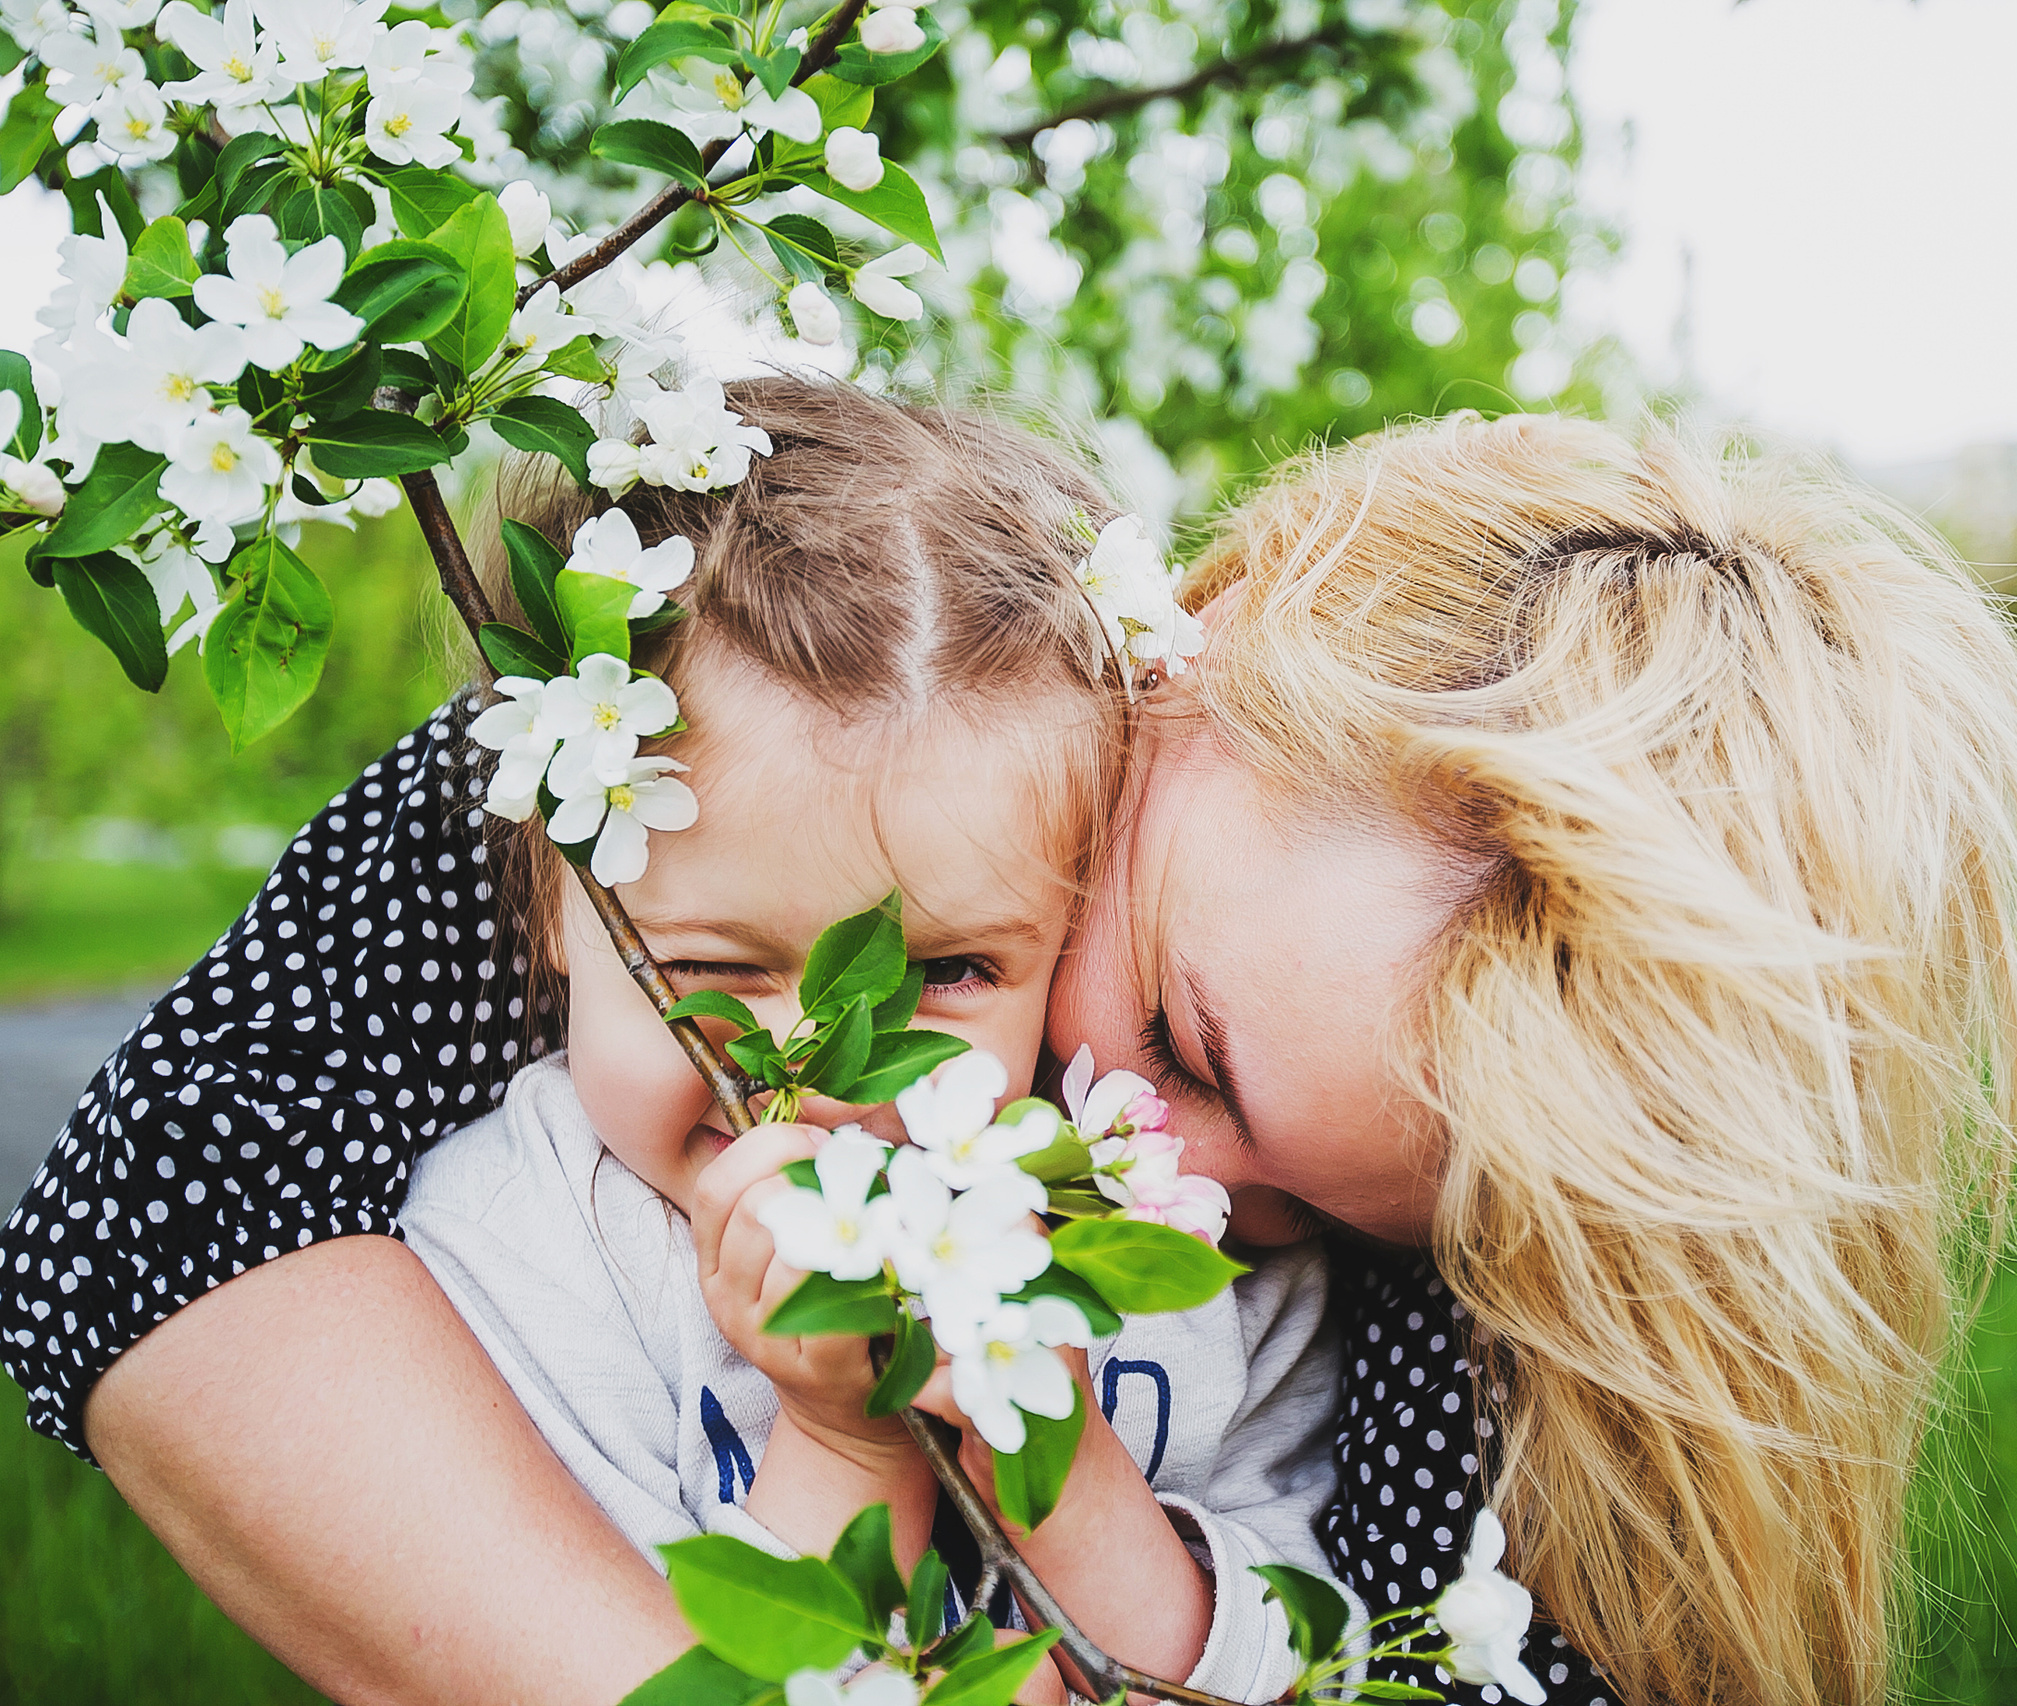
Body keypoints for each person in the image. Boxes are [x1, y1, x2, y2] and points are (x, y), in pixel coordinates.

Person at [0, 407, 2017, 1706]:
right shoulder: (737, 733)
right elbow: (161, 1206)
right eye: (1172, 1031)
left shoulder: (1428, 1298)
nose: (1146, 1175)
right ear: (1190, 637)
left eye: (1293, 1216)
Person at [396, 383, 1340, 1706]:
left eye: (949, 971)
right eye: (714, 969)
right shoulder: (517, 1257)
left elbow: (1299, 1673)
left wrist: (1054, 1455)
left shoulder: (1191, 1262)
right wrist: (846, 1445)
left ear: (1067, 933)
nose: (822, 1072)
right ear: (565, 899)